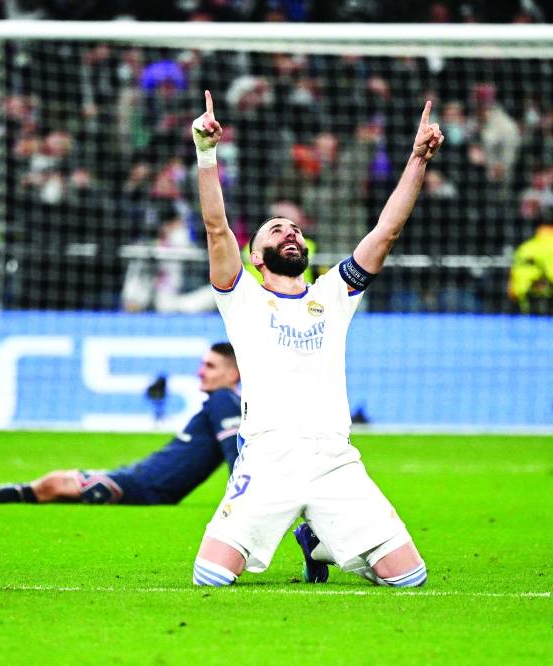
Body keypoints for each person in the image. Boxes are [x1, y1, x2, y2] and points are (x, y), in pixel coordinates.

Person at [189, 90, 443, 588]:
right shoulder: (241, 297)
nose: (290, 234)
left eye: (295, 231)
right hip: (267, 459)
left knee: (410, 579)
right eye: (276, 230)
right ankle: (313, 536)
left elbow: (386, 230)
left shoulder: (335, 291)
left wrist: (416, 160)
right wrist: (206, 153)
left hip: (333, 460)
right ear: (256, 256)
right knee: (210, 578)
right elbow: (217, 229)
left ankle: (320, 542)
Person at [0, 343, 242, 505]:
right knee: (56, 488)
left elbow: (235, 454)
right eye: (202, 364)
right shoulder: (220, 402)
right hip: (140, 480)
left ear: (233, 374)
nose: (201, 372)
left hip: (146, 487)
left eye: (211, 366)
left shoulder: (224, 400)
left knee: (54, 483)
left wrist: (238, 502)